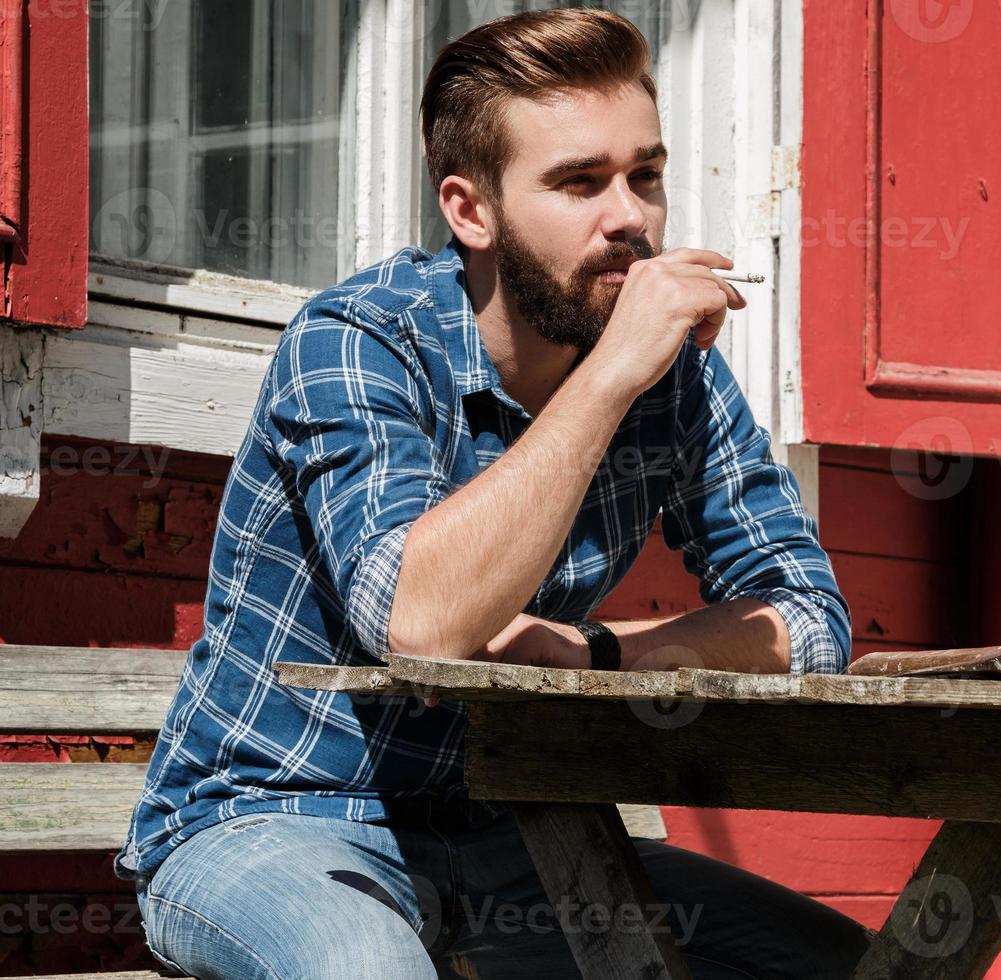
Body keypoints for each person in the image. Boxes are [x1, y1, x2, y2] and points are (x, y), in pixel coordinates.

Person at [113, 7, 870, 979]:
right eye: (579, 182)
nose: (630, 217)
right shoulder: (358, 342)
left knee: (851, 965)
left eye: (645, 174)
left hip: (515, 834)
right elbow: (420, 618)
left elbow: (811, 622)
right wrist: (607, 381)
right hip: (275, 818)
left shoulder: (673, 375)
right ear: (471, 212)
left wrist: (597, 651)